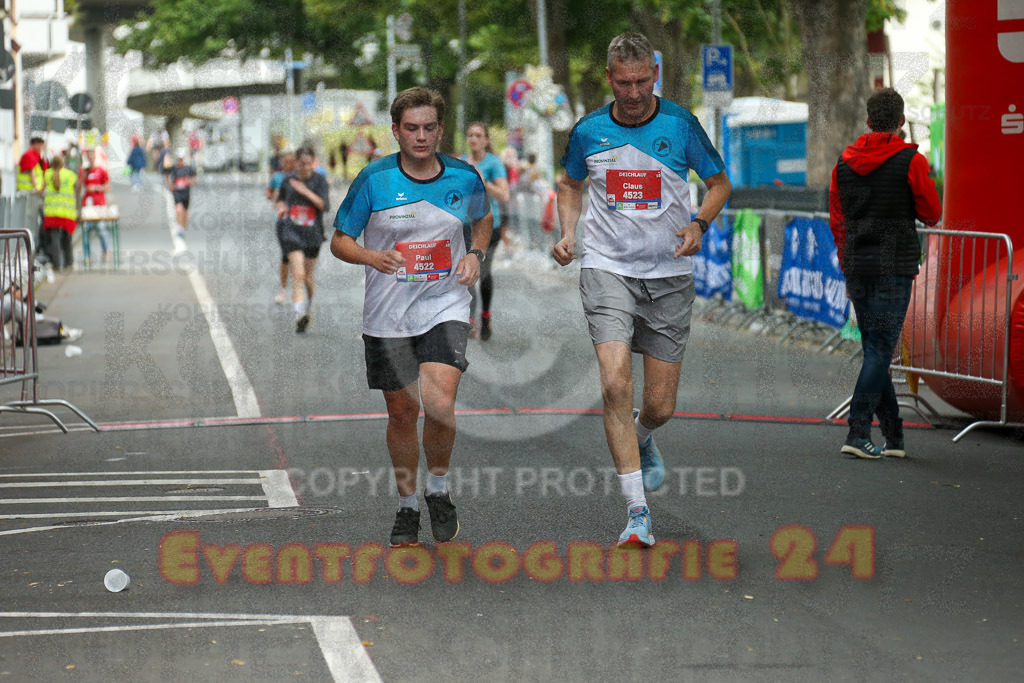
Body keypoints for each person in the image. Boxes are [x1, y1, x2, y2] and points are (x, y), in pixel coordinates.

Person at [554, 32, 732, 547]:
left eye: (642, 81)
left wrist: (698, 224)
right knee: (614, 385)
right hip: (607, 268)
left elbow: (719, 183)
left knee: (659, 405)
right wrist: (569, 233)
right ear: (610, 78)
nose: (633, 93)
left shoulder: (680, 125)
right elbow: (570, 184)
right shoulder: (589, 130)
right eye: (624, 83)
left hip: (669, 275)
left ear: (654, 75)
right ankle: (637, 513)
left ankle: (644, 435)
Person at [330, 87, 492, 548]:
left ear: (440, 130)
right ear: (396, 131)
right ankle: (407, 507)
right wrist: (370, 256)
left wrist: (476, 254)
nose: (421, 137)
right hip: (388, 313)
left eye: (429, 128)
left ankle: (437, 488)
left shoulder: (463, 176)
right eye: (411, 128)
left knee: (439, 404)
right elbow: (339, 240)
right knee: (403, 412)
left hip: (445, 303)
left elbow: (483, 218)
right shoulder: (374, 179)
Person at [829, 87, 941, 460]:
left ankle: (894, 439)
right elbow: (931, 212)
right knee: (880, 349)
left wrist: (846, 267)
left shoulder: (843, 164)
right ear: (901, 122)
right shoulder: (911, 160)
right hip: (895, 267)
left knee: (876, 350)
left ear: (867, 121)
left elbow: (838, 220)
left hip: (858, 265)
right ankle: (858, 431)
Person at [461, 122, 509, 341]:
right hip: (465, 224)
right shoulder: (461, 162)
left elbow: (504, 196)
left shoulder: (494, 163)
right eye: (470, 134)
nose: (473, 139)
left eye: (479, 135)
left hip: (490, 224)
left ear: (487, 140)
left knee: (485, 271)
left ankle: (485, 316)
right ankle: (469, 319)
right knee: (467, 270)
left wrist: (484, 182)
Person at [275, 146, 329, 333]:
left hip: (313, 234)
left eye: (309, 164)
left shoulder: (319, 180)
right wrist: (281, 208)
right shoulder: (288, 180)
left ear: (313, 163)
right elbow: (280, 199)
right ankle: (299, 315)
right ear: (296, 162)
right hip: (292, 232)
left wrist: (305, 191)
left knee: (307, 277)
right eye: (302, 163)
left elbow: (324, 206)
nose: (305, 167)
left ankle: (311, 304)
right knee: (297, 274)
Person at [266, 151, 297, 305]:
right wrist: (274, 197)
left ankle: (299, 291)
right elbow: (269, 192)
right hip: (282, 220)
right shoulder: (277, 178)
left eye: (292, 162)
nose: (289, 165)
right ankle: (283, 289)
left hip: (299, 222)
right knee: (286, 255)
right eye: (286, 162)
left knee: (300, 256)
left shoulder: (301, 178)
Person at [41, 154, 79, 271]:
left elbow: (41, 190)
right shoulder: (70, 175)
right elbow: (74, 191)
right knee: (67, 239)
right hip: (67, 214)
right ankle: (69, 263)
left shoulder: (47, 174)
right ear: (63, 163)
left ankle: (57, 264)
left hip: (52, 214)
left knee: (55, 240)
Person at [80, 148, 112, 265]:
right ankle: (87, 256)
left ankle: (106, 250)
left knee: (100, 229)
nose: (91, 157)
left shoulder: (101, 170)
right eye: (88, 155)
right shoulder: (85, 171)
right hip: (87, 204)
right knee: (86, 230)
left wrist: (97, 188)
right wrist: (83, 177)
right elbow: (79, 185)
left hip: (99, 204)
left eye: (92, 154)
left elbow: (108, 186)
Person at [165, 148, 196, 242]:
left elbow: (194, 179)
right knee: (179, 210)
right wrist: (170, 185)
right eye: (179, 159)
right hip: (177, 192)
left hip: (186, 193)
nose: (180, 161)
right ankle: (179, 228)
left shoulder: (188, 168)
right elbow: (166, 174)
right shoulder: (174, 168)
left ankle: (183, 228)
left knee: (185, 213)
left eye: (181, 159)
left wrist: (188, 181)